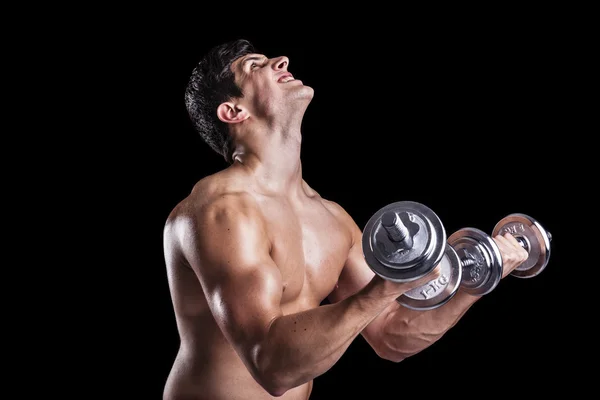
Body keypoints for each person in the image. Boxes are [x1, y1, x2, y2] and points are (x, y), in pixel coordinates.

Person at [162, 38, 529, 400]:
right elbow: (271, 366)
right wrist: (387, 285)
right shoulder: (218, 210)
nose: (282, 60)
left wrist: (475, 279)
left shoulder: (331, 219)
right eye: (254, 67)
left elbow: (392, 334)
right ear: (233, 112)